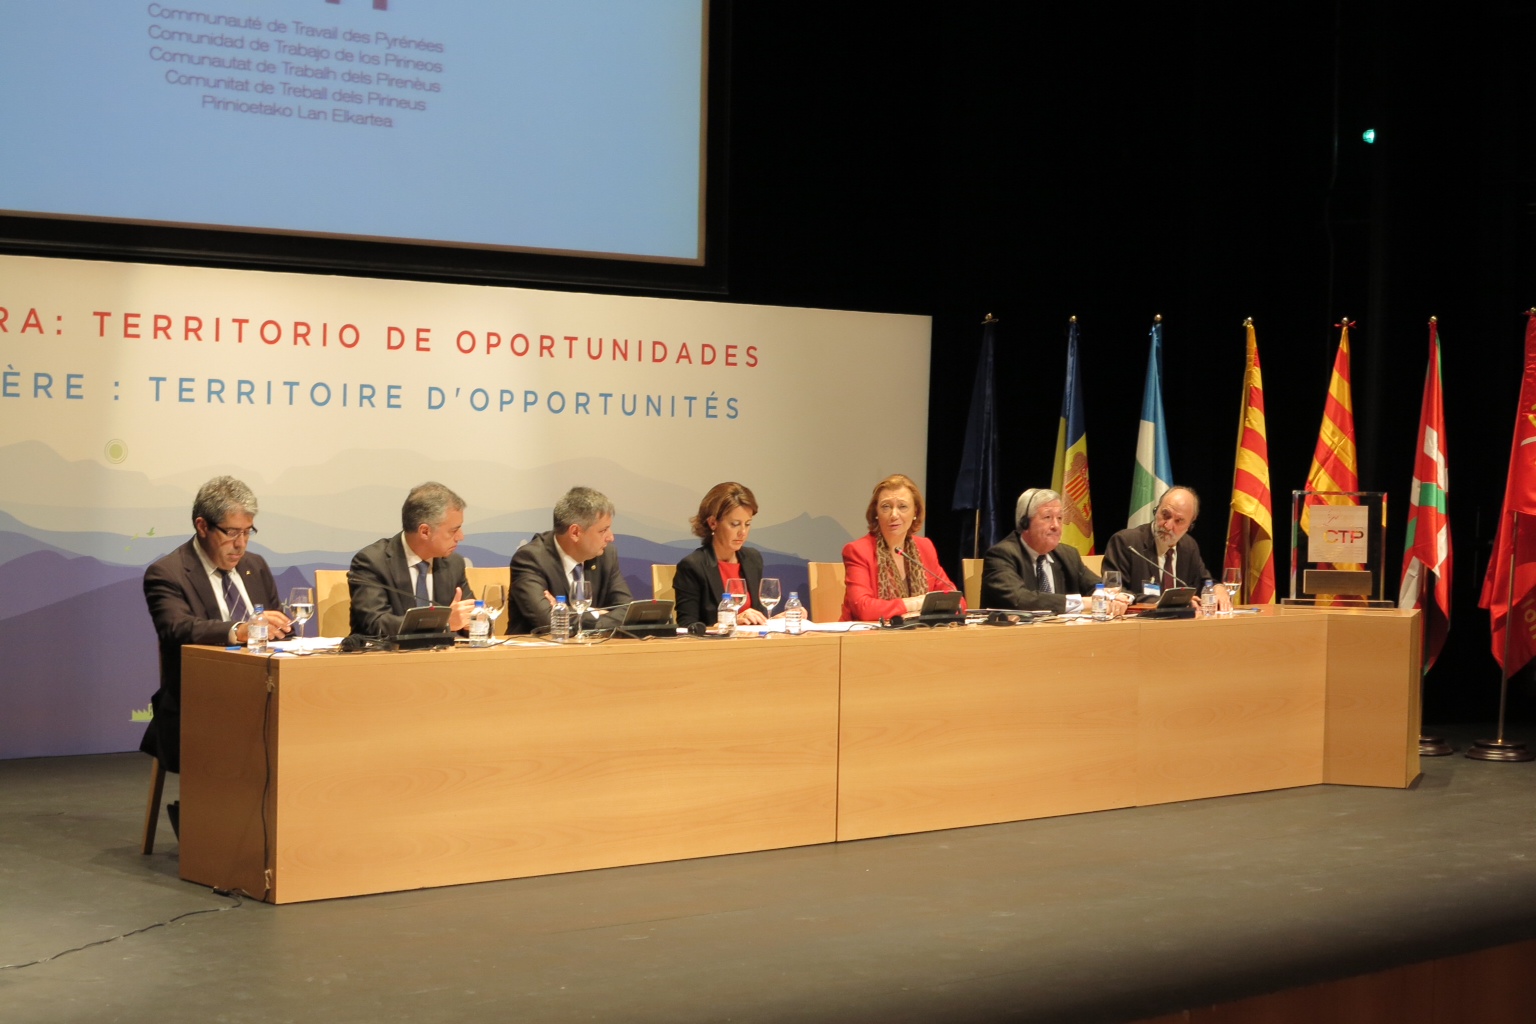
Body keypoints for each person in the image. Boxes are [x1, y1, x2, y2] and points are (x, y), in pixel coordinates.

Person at [141, 476, 291, 784]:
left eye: (247, 532)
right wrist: (239, 630)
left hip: (263, 694)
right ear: (202, 526)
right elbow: (177, 628)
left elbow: (280, 631)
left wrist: (281, 629)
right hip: (201, 703)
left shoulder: (255, 566)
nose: (241, 544)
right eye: (232, 532)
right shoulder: (168, 573)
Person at [349, 482, 476, 637]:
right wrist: (444, 623)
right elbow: (375, 624)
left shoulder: (453, 563)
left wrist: (475, 621)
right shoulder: (372, 562)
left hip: (443, 652)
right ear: (424, 532)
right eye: (453, 530)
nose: (461, 537)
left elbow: (473, 617)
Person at [508, 486, 634, 635]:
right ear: (575, 532)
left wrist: (565, 612)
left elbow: (628, 611)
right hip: (540, 648)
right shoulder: (530, 559)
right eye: (603, 530)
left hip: (593, 648)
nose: (610, 538)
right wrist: (595, 613)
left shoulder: (606, 555)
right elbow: (547, 621)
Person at [982, 487, 1124, 615]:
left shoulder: (1068, 555)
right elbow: (1020, 599)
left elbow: (1097, 587)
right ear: (1024, 522)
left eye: (1060, 518)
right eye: (1047, 517)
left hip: (1059, 632)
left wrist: (1115, 597)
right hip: (1013, 633)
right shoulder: (1001, 555)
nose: (1056, 526)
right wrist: (1083, 602)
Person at [840, 473, 959, 621]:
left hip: (916, 632)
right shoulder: (858, 551)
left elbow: (956, 601)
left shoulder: (925, 547)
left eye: (902, 506)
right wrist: (915, 603)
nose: (894, 515)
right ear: (876, 512)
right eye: (886, 507)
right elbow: (864, 609)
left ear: (915, 512)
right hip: (865, 634)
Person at [1102, 486, 1225, 605]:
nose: (1168, 526)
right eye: (1165, 515)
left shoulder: (1189, 546)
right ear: (1156, 510)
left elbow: (1204, 582)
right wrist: (1170, 602)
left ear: (1190, 526)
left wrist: (1217, 588)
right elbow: (1114, 591)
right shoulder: (1126, 542)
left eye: (1179, 521)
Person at [673, 482, 771, 628]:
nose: (743, 532)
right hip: (714, 642)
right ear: (713, 523)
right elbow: (687, 626)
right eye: (735, 524)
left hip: (751, 640)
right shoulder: (693, 566)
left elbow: (757, 613)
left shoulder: (753, 559)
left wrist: (776, 619)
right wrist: (731, 622)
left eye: (747, 524)